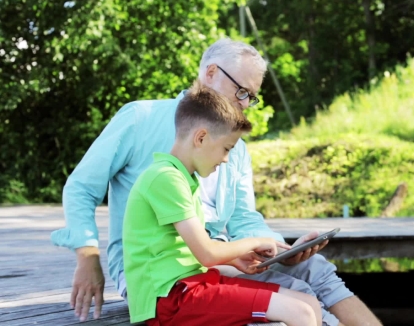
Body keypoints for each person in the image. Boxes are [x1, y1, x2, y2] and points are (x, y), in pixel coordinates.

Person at [51, 38, 381, 326]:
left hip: (220, 259)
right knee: (293, 298)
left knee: (315, 269)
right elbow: (81, 187)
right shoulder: (140, 118)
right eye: (241, 91)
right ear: (210, 73)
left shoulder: (236, 149)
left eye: (251, 97)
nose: (244, 104)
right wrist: (88, 257)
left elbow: (243, 218)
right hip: (170, 273)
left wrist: (279, 250)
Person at [123, 82, 321, 326]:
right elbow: (206, 253)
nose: (226, 159)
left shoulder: (184, 178)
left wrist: (235, 259)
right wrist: (256, 242)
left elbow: (186, 252)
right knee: (299, 313)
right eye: (226, 148)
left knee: (308, 304)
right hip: (170, 299)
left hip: (193, 284)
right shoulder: (165, 178)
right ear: (202, 137)